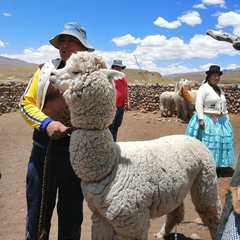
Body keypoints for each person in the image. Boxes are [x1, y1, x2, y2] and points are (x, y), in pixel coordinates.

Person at [19, 22, 95, 240]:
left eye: (72, 40)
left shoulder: (92, 76)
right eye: (63, 40)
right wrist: (46, 124)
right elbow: (26, 104)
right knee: (37, 216)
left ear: (83, 47)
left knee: (72, 219)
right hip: (44, 155)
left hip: (76, 158)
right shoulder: (45, 70)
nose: (65, 44)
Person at [185, 65, 235, 171]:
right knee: (209, 142)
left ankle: (218, 164)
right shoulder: (204, 88)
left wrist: (227, 117)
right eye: (214, 75)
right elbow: (199, 104)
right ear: (209, 77)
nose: (217, 77)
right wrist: (201, 119)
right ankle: (207, 165)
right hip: (208, 118)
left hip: (221, 120)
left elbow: (224, 106)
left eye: (218, 76)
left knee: (219, 142)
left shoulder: (220, 90)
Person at [109, 60, 130, 141]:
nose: (118, 68)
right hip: (112, 106)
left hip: (121, 105)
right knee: (110, 126)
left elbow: (126, 88)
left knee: (117, 125)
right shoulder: (110, 76)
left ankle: (114, 141)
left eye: (119, 67)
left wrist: (128, 101)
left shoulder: (123, 77)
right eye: (116, 67)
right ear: (113, 67)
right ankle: (110, 144)